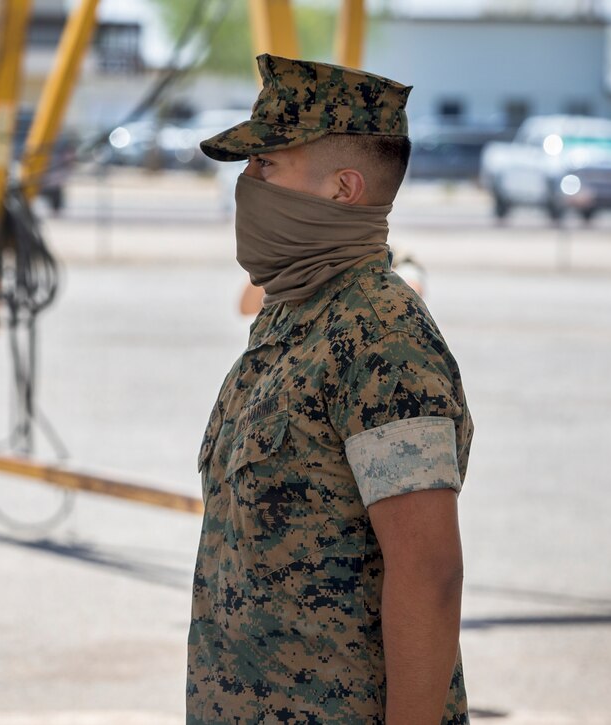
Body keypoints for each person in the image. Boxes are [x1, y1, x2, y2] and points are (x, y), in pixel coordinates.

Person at [187, 54, 474, 724]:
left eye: (266, 165)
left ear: (343, 189)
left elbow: (428, 572)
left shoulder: (382, 337)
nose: (247, 184)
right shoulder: (290, 315)